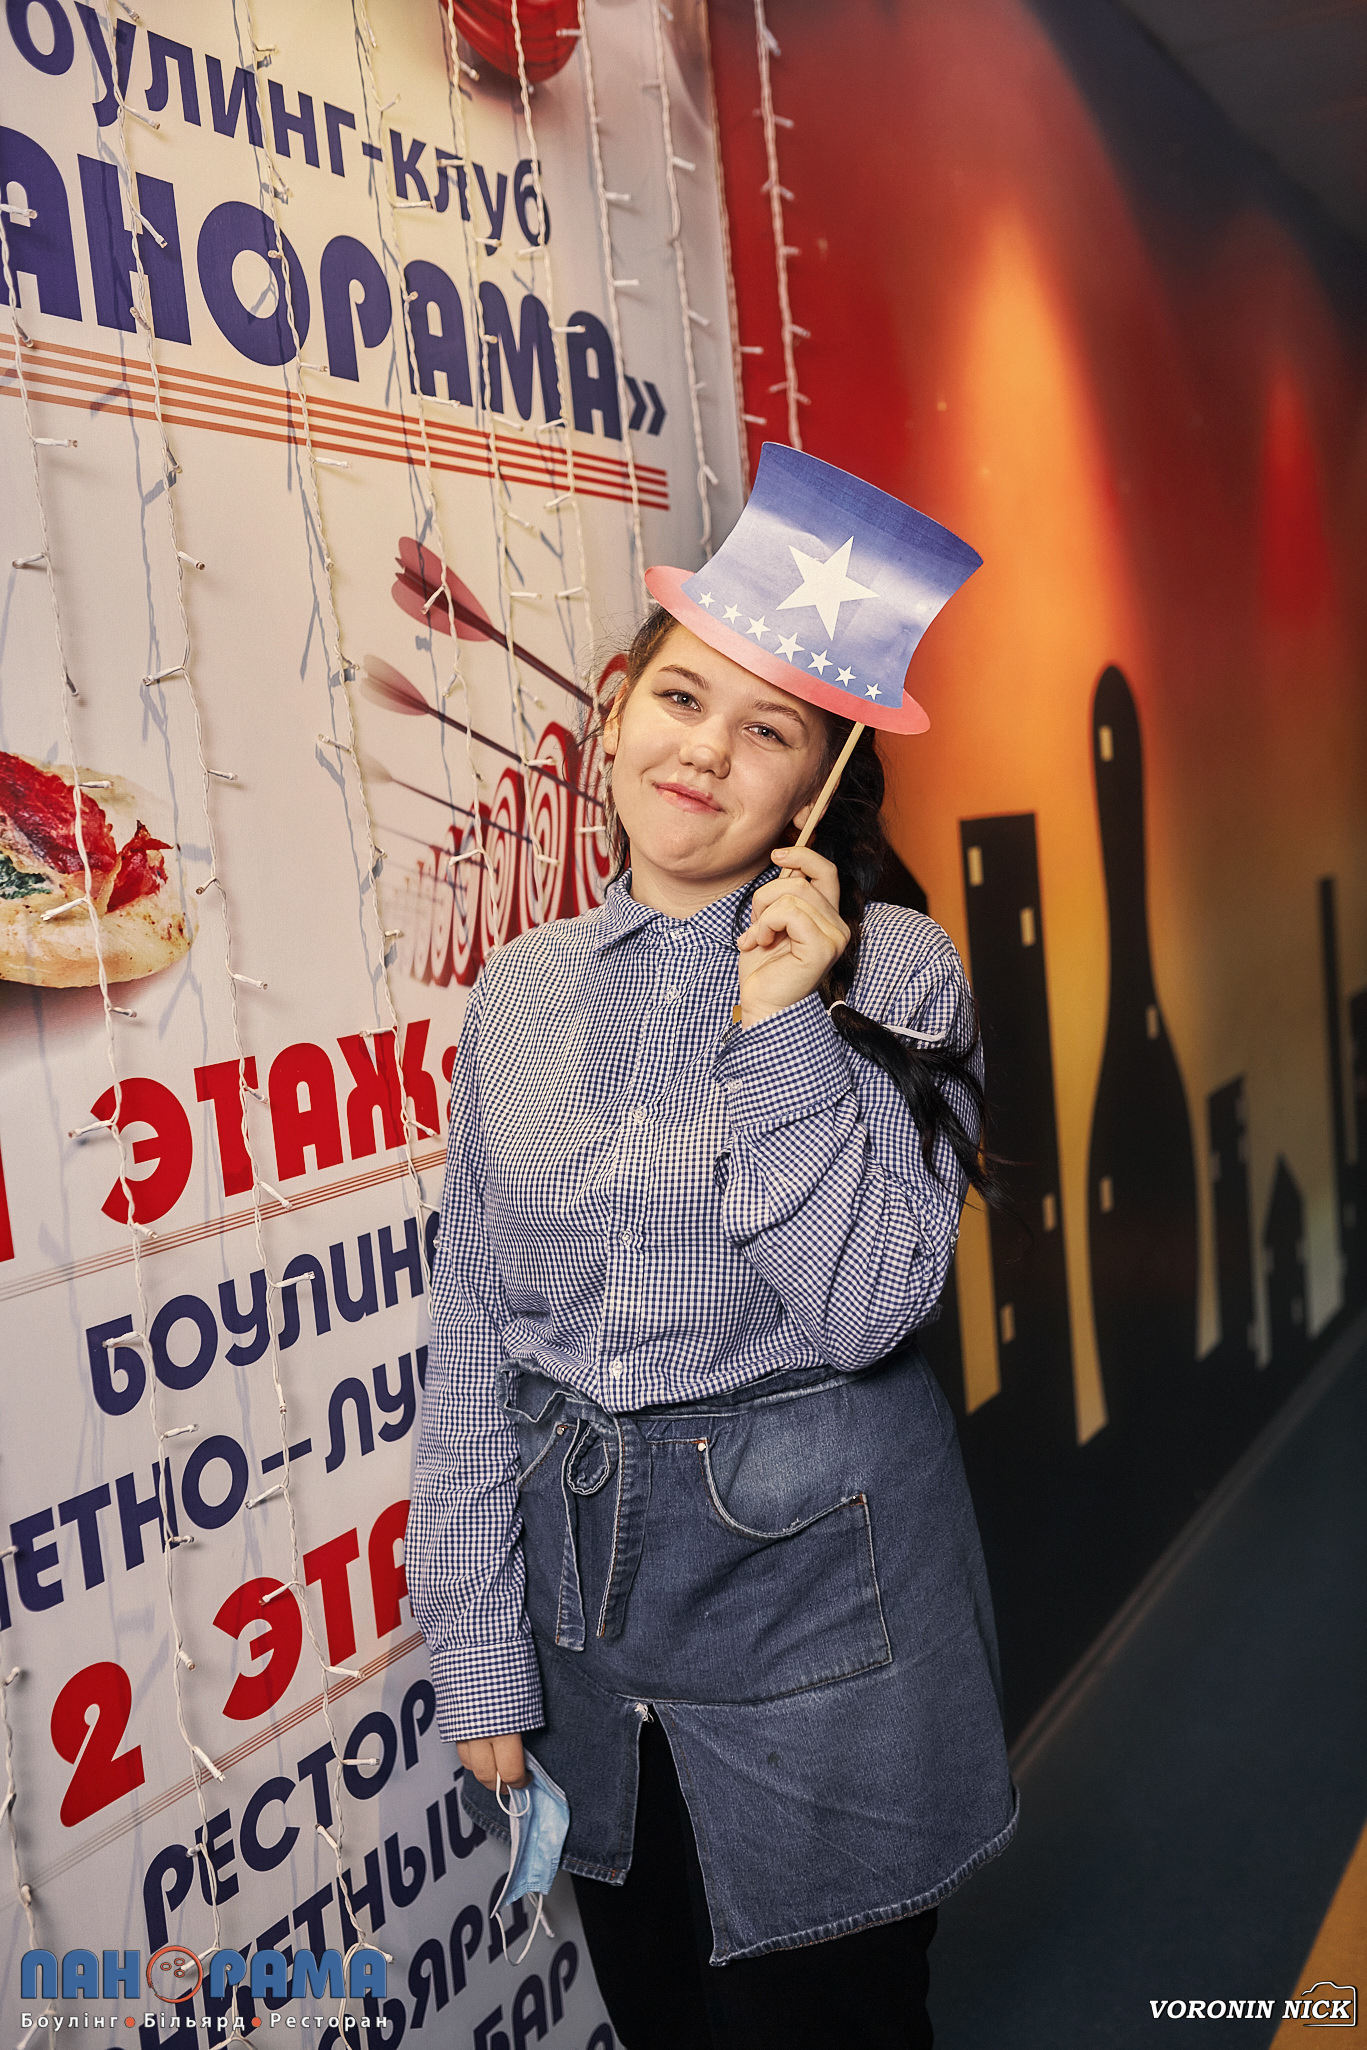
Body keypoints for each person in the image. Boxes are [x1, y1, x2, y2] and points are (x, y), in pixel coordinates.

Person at [407, 447, 1018, 2050]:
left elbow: (870, 1301)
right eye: (681, 699)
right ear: (615, 713)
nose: (706, 750)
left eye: (769, 730)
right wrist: (481, 1654)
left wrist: (778, 1020)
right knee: (665, 2020)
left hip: (824, 1632)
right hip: (596, 1641)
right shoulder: (522, 989)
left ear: (813, 787)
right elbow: (472, 1339)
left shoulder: (892, 967)